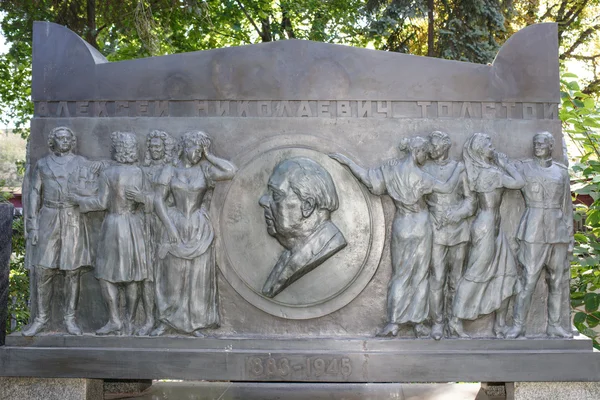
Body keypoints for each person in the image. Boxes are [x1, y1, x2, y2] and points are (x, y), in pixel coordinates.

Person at [330, 136, 464, 338]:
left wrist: (347, 162)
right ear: (416, 152)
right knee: (419, 276)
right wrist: (459, 170)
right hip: (420, 226)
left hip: (402, 225)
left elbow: (369, 180)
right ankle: (418, 323)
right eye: (423, 153)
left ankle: (393, 322)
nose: (425, 157)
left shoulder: (390, 170)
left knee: (400, 275)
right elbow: (445, 187)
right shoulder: (421, 176)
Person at [150, 131, 236, 336]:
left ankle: (195, 323)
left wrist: (209, 155)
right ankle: (167, 320)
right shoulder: (169, 170)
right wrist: (170, 228)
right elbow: (158, 201)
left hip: (198, 227)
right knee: (172, 276)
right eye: (194, 149)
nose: (197, 154)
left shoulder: (205, 169)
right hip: (175, 223)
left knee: (198, 277)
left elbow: (230, 170)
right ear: (183, 148)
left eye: (200, 150)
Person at [22, 126, 99, 336]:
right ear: (52, 141)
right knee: (44, 269)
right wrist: (32, 225)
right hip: (48, 217)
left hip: (72, 217)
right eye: (60, 138)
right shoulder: (43, 164)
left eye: (67, 138)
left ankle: (70, 319)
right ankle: (41, 319)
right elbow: (34, 194)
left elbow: (98, 177)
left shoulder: (81, 163)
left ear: (72, 141)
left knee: (72, 271)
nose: (64, 141)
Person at [72, 131, 149, 335]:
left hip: (114, 225)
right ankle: (130, 322)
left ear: (116, 149)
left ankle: (115, 320)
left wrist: (79, 200)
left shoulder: (108, 174)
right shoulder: (140, 172)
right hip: (134, 225)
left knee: (106, 275)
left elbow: (101, 202)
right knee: (133, 275)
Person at [450, 132, 525, 338]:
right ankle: (455, 319)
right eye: (488, 143)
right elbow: (519, 182)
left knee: (507, 273)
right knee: (476, 274)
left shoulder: (480, 171)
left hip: (493, 227)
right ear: (480, 150)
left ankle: (499, 324)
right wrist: (506, 163)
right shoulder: (491, 174)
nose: (492, 146)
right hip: (486, 226)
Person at [506, 132, 573, 338]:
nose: (538, 146)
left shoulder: (561, 173)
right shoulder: (524, 168)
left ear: (551, 146)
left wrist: (569, 238)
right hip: (533, 230)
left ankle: (554, 325)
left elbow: (567, 207)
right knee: (528, 279)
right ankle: (518, 325)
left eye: (543, 143)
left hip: (558, 231)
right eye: (536, 143)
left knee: (557, 280)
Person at [259, 157, 347, 298]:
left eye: (276, 194)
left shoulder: (325, 248)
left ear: (307, 206)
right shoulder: (290, 252)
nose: (263, 201)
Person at [422, 131, 476, 340]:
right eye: (431, 146)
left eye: (435, 146)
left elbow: (471, 201)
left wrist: (457, 214)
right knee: (436, 278)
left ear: (445, 146)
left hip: (458, 231)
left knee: (456, 280)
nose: (432, 150)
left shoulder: (460, 169)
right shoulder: (425, 169)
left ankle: (454, 321)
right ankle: (436, 323)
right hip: (435, 230)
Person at [126, 130, 177, 335]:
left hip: (164, 225)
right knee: (146, 276)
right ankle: (148, 319)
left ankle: (167, 318)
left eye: (159, 147)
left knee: (164, 275)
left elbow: (167, 199)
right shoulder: (140, 170)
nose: (155, 151)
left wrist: (142, 197)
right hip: (141, 226)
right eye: (152, 147)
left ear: (165, 149)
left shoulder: (171, 170)